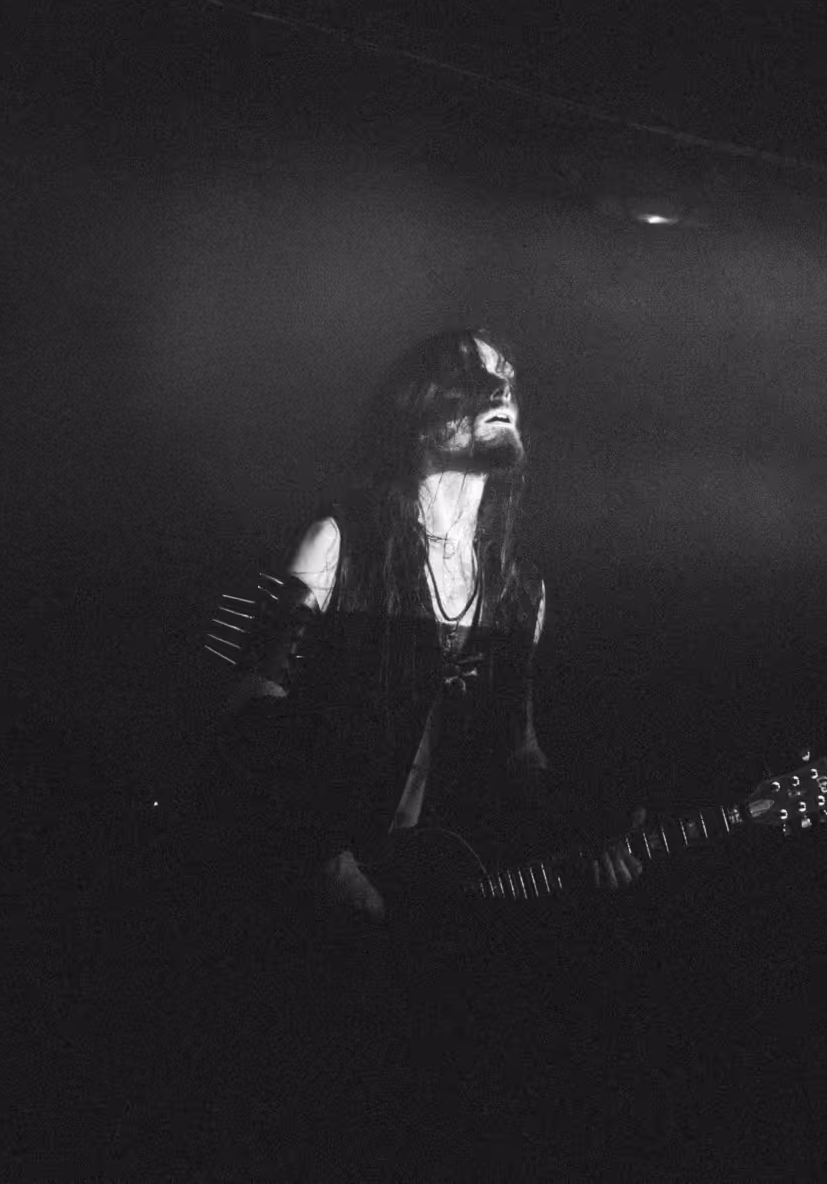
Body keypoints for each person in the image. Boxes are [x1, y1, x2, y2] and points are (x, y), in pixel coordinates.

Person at [209, 327, 641, 923]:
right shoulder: (336, 544)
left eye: (507, 381)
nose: (501, 392)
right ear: (415, 415)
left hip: (435, 894)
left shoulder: (520, 594)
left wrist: (584, 831)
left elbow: (516, 753)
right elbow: (250, 710)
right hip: (297, 894)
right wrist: (325, 859)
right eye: (474, 380)